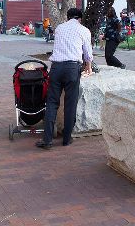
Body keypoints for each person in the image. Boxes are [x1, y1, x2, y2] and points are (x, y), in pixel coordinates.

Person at [36, 8, 93, 150]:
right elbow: (87, 52)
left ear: (67, 18)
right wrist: (89, 66)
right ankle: (67, 139)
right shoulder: (84, 30)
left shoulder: (59, 28)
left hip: (56, 68)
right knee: (70, 104)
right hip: (73, 69)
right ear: (80, 18)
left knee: (52, 103)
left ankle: (47, 139)